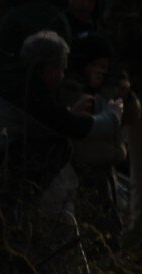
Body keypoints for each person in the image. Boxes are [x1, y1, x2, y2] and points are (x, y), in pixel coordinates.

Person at [0, 30, 121, 205]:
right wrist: (113, 116)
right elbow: (71, 128)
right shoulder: (29, 88)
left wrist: (71, 113)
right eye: (62, 70)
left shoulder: (9, 76)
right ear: (50, 70)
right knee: (58, 144)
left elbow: (53, 119)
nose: (62, 76)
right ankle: (15, 204)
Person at [57, 31, 137, 237]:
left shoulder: (103, 91)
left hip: (106, 170)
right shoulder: (70, 90)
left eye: (105, 67)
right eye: (96, 65)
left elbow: (131, 116)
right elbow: (87, 129)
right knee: (93, 228)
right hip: (85, 170)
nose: (101, 71)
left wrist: (125, 96)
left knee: (109, 226)